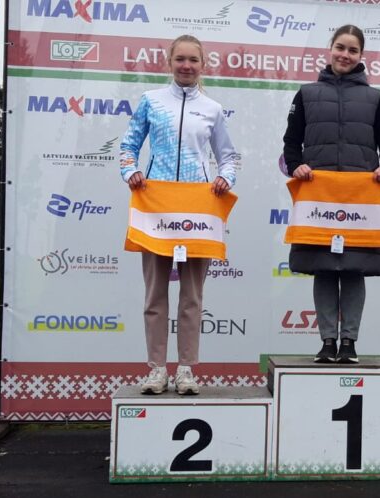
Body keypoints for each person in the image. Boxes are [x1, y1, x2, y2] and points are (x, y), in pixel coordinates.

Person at [119, 35, 238, 395]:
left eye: (193, 60)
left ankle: (186, 369)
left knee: (192, 296)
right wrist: (130, 171)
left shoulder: (212, 108)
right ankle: (157, 369)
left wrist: (225, 177)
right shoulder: (151, 101)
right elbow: (128, 145)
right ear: (169, 62)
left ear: (203, 64)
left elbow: (228, 157)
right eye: (180, 59)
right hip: (155, 207)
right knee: (155, 294)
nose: (187, 66)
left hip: (199, 207)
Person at [282, 25, 380, 364]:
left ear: (361, 55)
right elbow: (291, 143)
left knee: (352, 269)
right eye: (340, 47)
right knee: (323, 268)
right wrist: (296, 166)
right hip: (318, 198)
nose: (345, 55)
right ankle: (327, 342)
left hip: (359, 200)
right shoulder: (306, 94)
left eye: (352, 50)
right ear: (330, 49)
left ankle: (348, 342)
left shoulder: (374, 98)